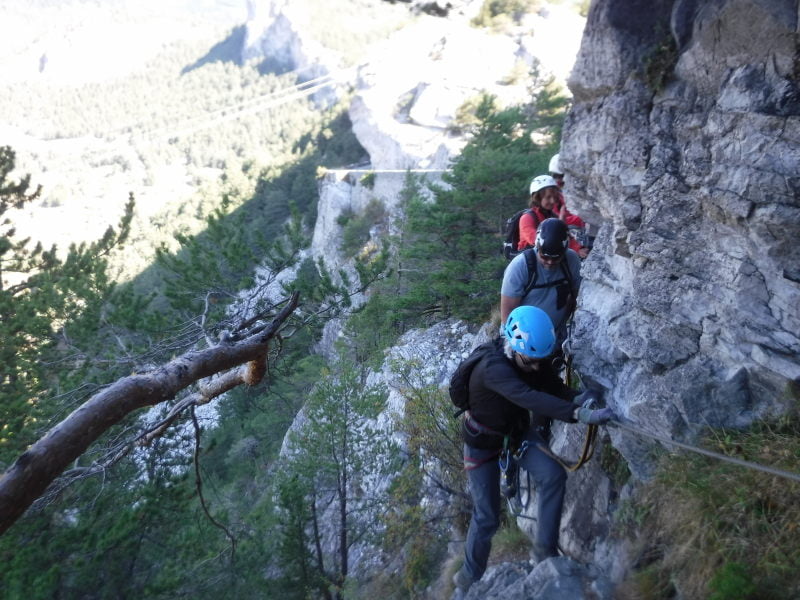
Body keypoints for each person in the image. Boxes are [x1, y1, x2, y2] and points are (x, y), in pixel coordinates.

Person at [452, 306, 615, 595]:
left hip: (514, 433)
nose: (537, 366)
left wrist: (578, 398)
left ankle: (544, 553)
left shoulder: (531, 355)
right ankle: (468, 577)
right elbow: (529, 397)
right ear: (515, 348)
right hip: (481, 444)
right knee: (487, 517)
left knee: (553, 475)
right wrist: (579, 414)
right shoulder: (493, 369)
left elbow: (550, 386)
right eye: (532, 361)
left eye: (541, 360)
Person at [501, 218, 582, 346]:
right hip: (524, 339)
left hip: (555, 336)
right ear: (537, 247)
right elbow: (508, 313)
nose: (550, 262)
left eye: (556, 258)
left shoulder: (571, 260)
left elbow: (576, 297)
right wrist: (518, 345)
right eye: (545, 256)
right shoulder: (520, 266)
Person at [549, 154, 591, 258]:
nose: (558, 180)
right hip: (572, 233)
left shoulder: (577, 191)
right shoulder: (555, 194)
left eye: (560, 176)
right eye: (555, 176)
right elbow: (556, 218)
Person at [517, 175, 560, 252]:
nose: (553, 201)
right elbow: (536, 240)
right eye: (548, 197)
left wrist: (579, 249)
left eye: (554, 197)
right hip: (529, 257)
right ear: (537, 198)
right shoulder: (527, 218)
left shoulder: (552, 216)